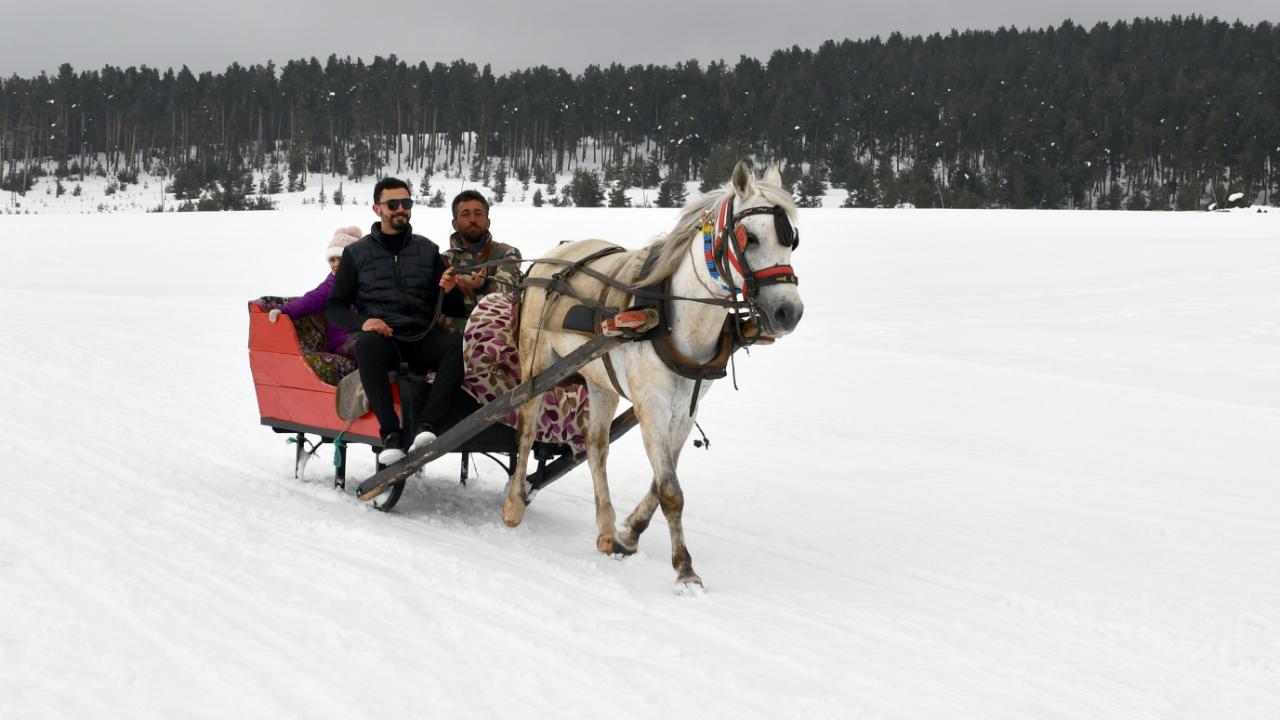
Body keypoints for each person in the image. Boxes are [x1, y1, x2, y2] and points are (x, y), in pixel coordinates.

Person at [325, 178, 467, 464]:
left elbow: (451, 307)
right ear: (377, 209)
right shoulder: (356, 253)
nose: (401, 209)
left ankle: (427, 427)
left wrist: (451, 291)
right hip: (384, 339)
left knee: (457, 345)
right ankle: (390, 434)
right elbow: (334, 308)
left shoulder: (428, 250)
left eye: (406, 203)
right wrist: (364, 322)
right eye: (393, 204)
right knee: (367, 345)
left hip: (422, 336)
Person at [269, 226, 361, 358]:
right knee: (368, 345)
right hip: (342, 341)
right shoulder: (331, 285)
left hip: (363, 333)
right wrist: (285, 311)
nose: (335, 264)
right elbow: (311, 300)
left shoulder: (365, 281)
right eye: (332, 259)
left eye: (341, 259)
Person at [440, 190, 522, 332]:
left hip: (501, 336)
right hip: (455, 341)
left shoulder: (506, 253)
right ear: (455, 224)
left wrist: (484, 285)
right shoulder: (444, 260)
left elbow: (508, 288)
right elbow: (437, 313)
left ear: (487, 222)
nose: (472, 219)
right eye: (465, 214)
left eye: (478, 213)